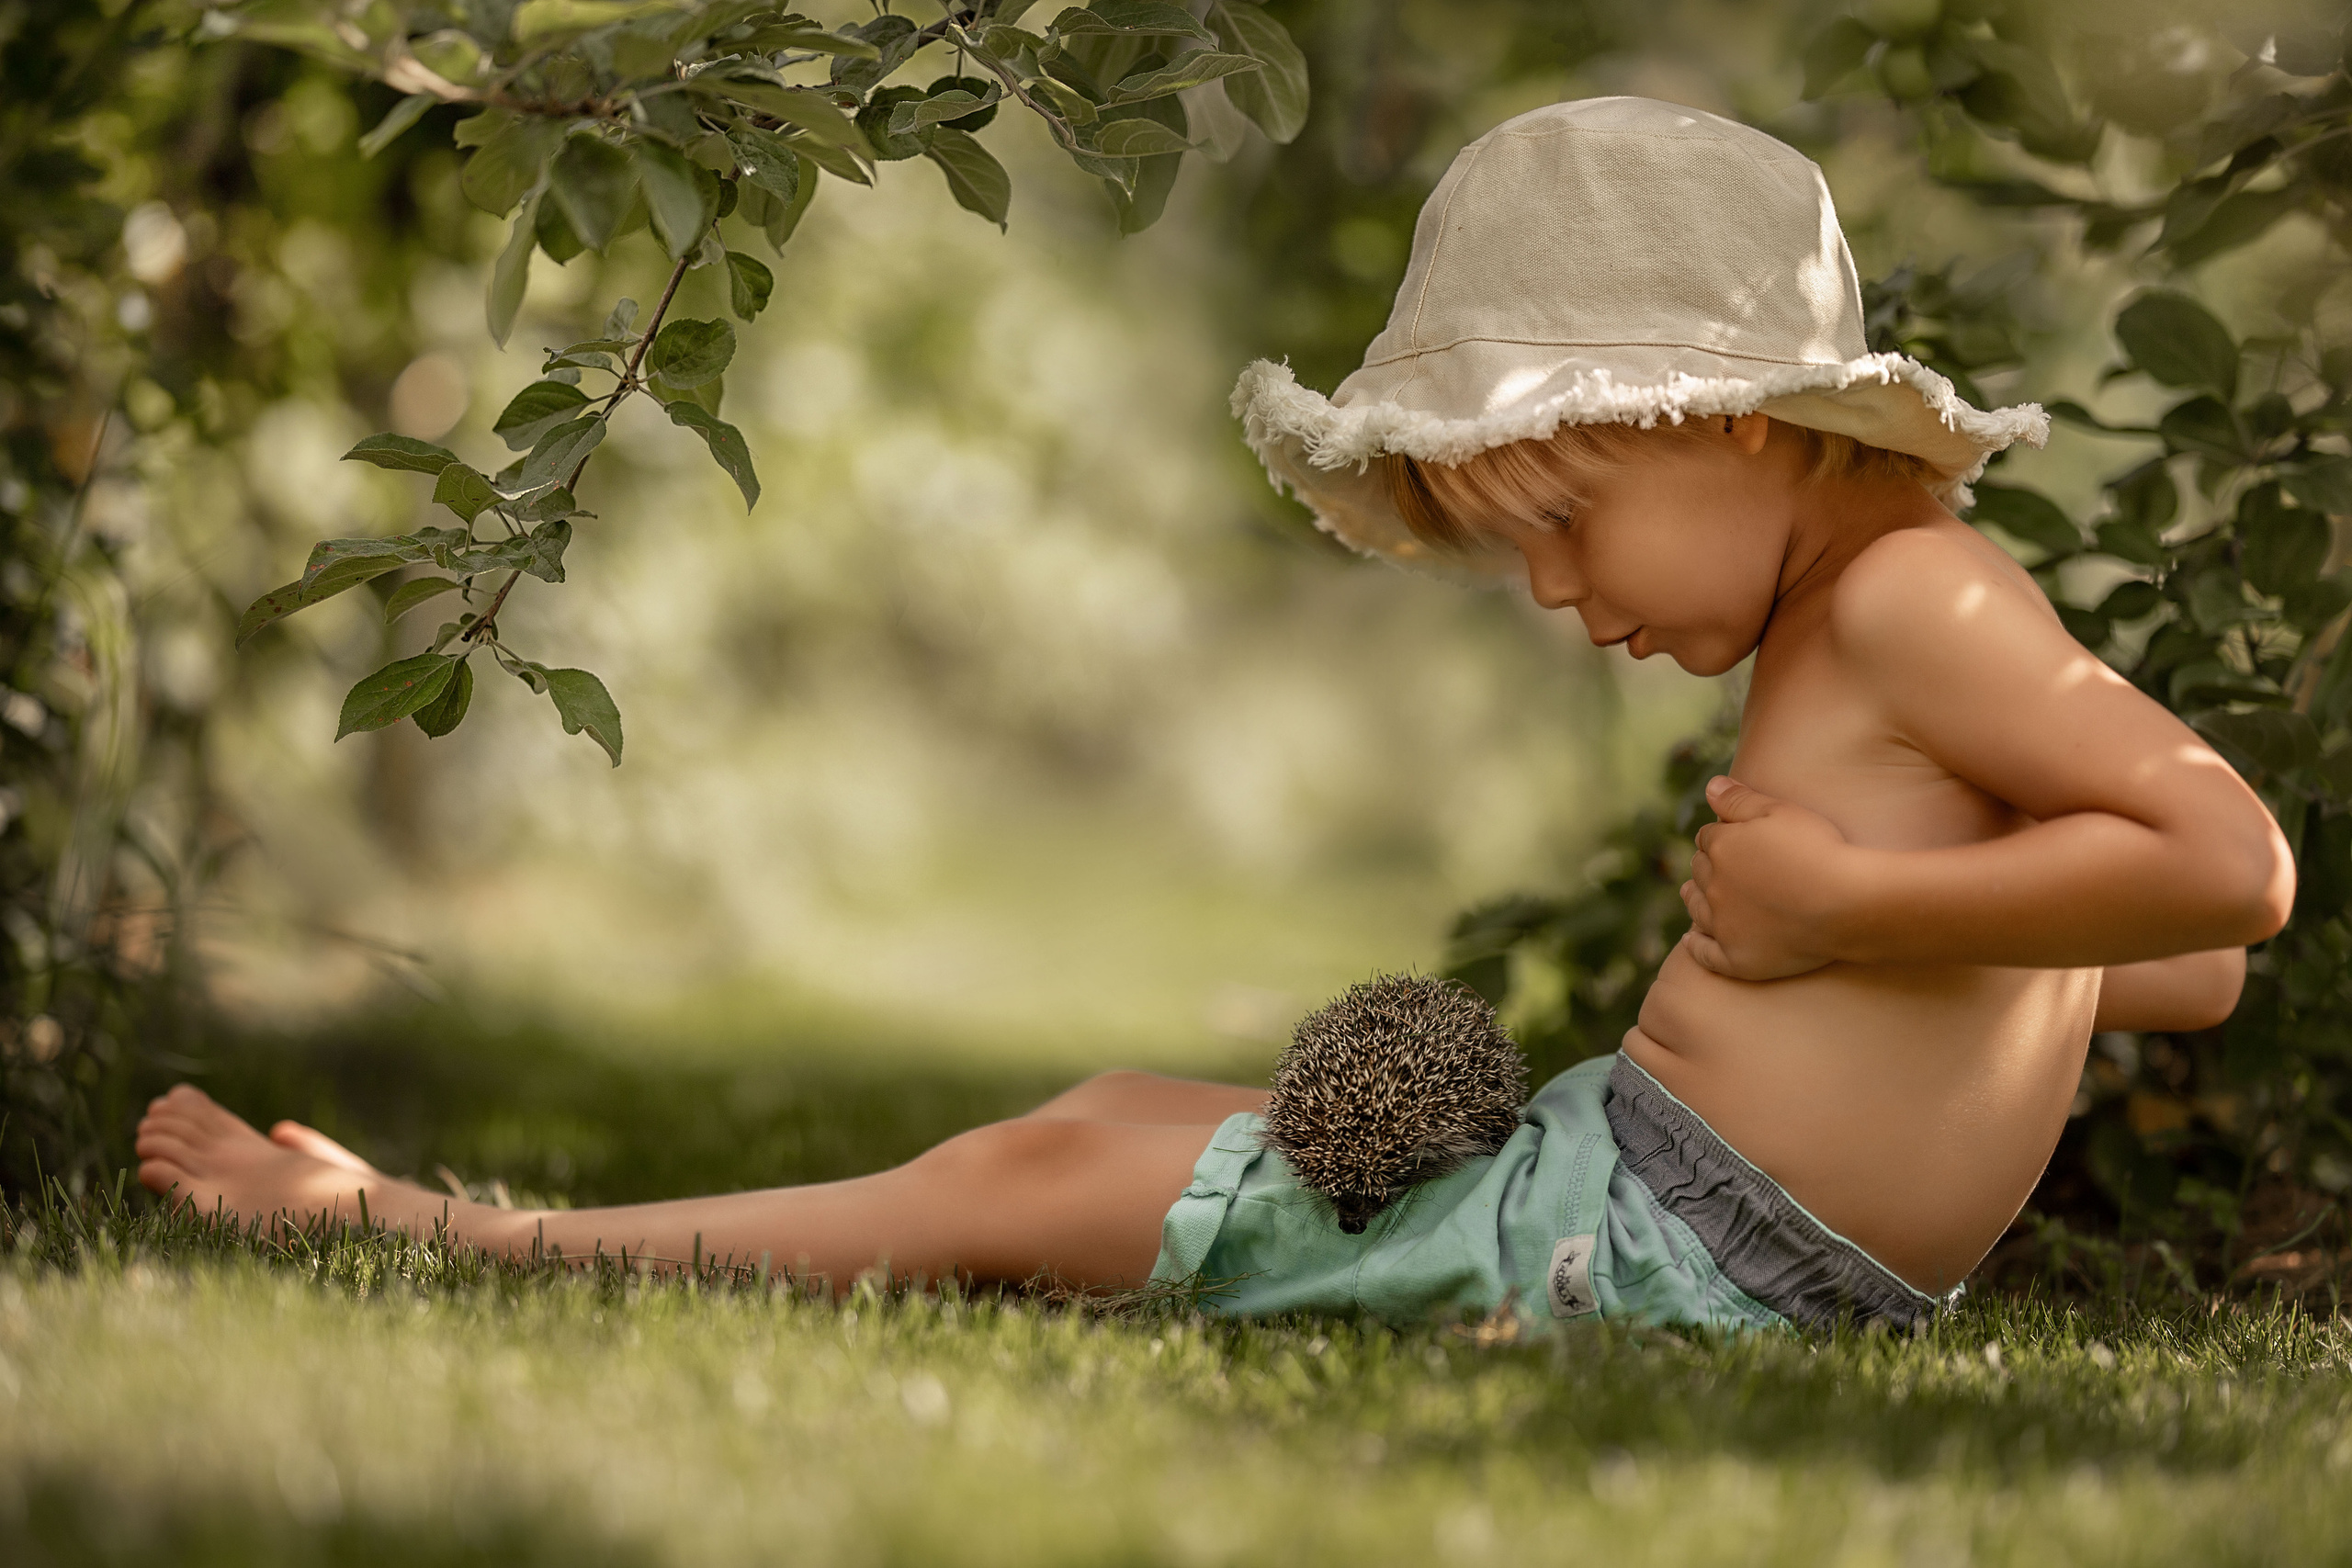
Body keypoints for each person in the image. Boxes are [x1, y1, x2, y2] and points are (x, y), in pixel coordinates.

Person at [137, 97, 2294, 1330]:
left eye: (1566, 520)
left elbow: (2231, 870)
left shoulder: (1910, 594)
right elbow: (2163, 960)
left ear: (1726, 419)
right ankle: (446, 1219)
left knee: (1042, 1168)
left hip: (1649, 1253)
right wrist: (1896, 938)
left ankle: (432, 1229)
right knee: (1101, 1118)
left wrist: (1840, 910)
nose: (1559, 596)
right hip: (1633, 1203)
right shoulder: (1893, 613)